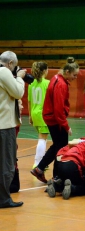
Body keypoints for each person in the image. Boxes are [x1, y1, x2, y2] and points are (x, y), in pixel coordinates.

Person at [31, 57, 79, 183]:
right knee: (61, 148)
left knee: (58, 146)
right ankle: (54, 175)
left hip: (51, 118)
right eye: (74, 75)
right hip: (55, 120)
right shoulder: (61, 84)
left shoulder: (56, 78)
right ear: (67, 72)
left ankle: (43, 170)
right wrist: (66, 126)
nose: (76, 77)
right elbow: (58, 109)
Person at [0, 51, 25, 208]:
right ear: (10, 64)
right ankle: (3, 199)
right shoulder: (3, 71)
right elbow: (18, 92)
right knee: (7, 165)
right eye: (13, 67)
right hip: (5, 125)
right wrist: (20, 78)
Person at [28, 61, 50, 169]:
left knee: (42, 138)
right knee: (42, 139)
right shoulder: (47, 83)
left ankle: (40, 162)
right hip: (43, 114)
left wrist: (30, 116)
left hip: (34, 112)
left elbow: (29, 101)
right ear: (45, 70)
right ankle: (37, 163)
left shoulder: (31, 84)